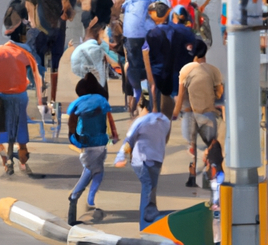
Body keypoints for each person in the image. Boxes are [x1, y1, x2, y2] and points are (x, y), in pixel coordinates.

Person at [0, 36, 44, 177]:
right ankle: (23, 158)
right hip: (19, 97)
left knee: (3, 129)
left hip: (0, 97)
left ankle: (6, 161)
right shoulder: (23, 52)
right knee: (21, 127)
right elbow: (33, 73)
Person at [67, 73, 118, 225]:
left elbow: (72, 122)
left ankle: (87, 202)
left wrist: (73, 137)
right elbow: (108, 119)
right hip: (100, 141)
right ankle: (76, 198)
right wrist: (113, 135)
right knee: (93, 171)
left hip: (86, 141)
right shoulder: (102, 100)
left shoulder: (78, 103)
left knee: (95, 170)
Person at [114, 92, 171, 229]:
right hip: (149, 160)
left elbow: (129, 141)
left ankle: (148, 222)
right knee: (149, 189)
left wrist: (121, 156)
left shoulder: (143, 121)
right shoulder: (165, 121)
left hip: (147, 160)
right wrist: (121, 156)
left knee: (150, 190)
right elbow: (164, 140)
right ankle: (145, 224)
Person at [172, 39, 223, 187]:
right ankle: (209, 175)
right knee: (208, 147)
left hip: (189, 116)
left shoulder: (186, 70)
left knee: (194, 148)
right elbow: (219, 93)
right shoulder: (213, 70)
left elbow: (180, 96)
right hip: (208, 115)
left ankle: (193, 176)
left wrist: (175, 114)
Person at [142, 2, 195, 120]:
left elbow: (145, 53)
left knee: (156, 110)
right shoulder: (183, 32)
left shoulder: (153, 33)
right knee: (173, 102)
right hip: (176, 71)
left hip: (157, 73)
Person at [122, 0, 155, 114]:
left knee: (134, 67)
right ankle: (145, 103)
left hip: (130, 35)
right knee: (145, 69)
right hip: (143, 34)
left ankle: (137, 98)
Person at [71, 13, 119, 90]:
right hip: (88, 84)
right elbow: (101, 76)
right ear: (98, 33)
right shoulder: (95, 48)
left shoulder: (84, 46)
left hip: (80, 82)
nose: (103, 38)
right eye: (102, 35)